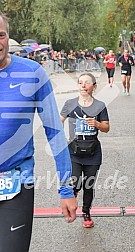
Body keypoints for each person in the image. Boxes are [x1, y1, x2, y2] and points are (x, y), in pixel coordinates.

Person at [0, 7, 77, 252]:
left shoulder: (32, 72)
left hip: (16, 180)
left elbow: (55, 132)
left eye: (1, 35)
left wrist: (66, 187)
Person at [60, 73, 110, 228]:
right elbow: (59, 120)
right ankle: (74, 192)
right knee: (75, 181)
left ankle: (86, 212)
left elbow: (106, 128)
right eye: (80, 82)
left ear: (94, 86)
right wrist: (60, 139)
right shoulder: (70, 103)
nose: (83, 85)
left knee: (89, 185)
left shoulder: (100, 106)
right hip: (73, 152)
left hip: (93, 153)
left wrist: (96, 124)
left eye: (87, 83)